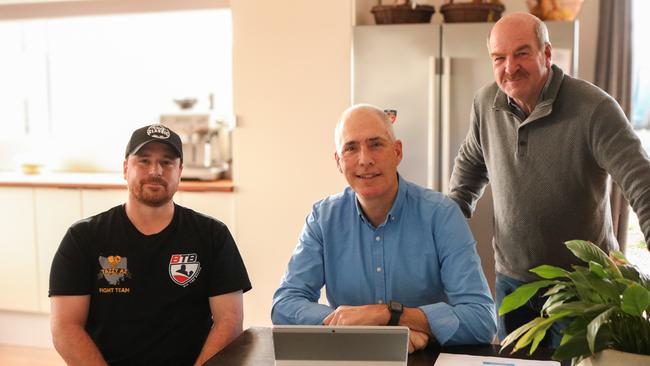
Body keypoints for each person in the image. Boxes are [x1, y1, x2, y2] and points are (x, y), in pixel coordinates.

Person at [448, 12, 650, 348]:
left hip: (582, 287)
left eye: (521, 53)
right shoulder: (485, 104)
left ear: (546, 54)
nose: (509, 67)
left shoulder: (594, 109)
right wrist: (441, 241)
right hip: (511, 282)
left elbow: (641, 182)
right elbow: (467, 173)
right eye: (499, 58)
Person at [271, 104, 496, 353]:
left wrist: (386, 315)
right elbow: (285, 304)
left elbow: (482, 319)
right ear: (338, 161)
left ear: (397, 152)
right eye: (351, 148)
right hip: (352, 357)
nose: (365, 159)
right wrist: (349, 324)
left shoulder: (441, 215)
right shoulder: (322, 218)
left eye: (376, 144)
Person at [49, 124, 252, 366]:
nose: (155, 171)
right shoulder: (83, 238)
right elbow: (65, 327)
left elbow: (229, 321)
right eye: (144, 161)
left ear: (180, 171)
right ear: (126, 168)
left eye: (167, 162)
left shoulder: (212, 235)